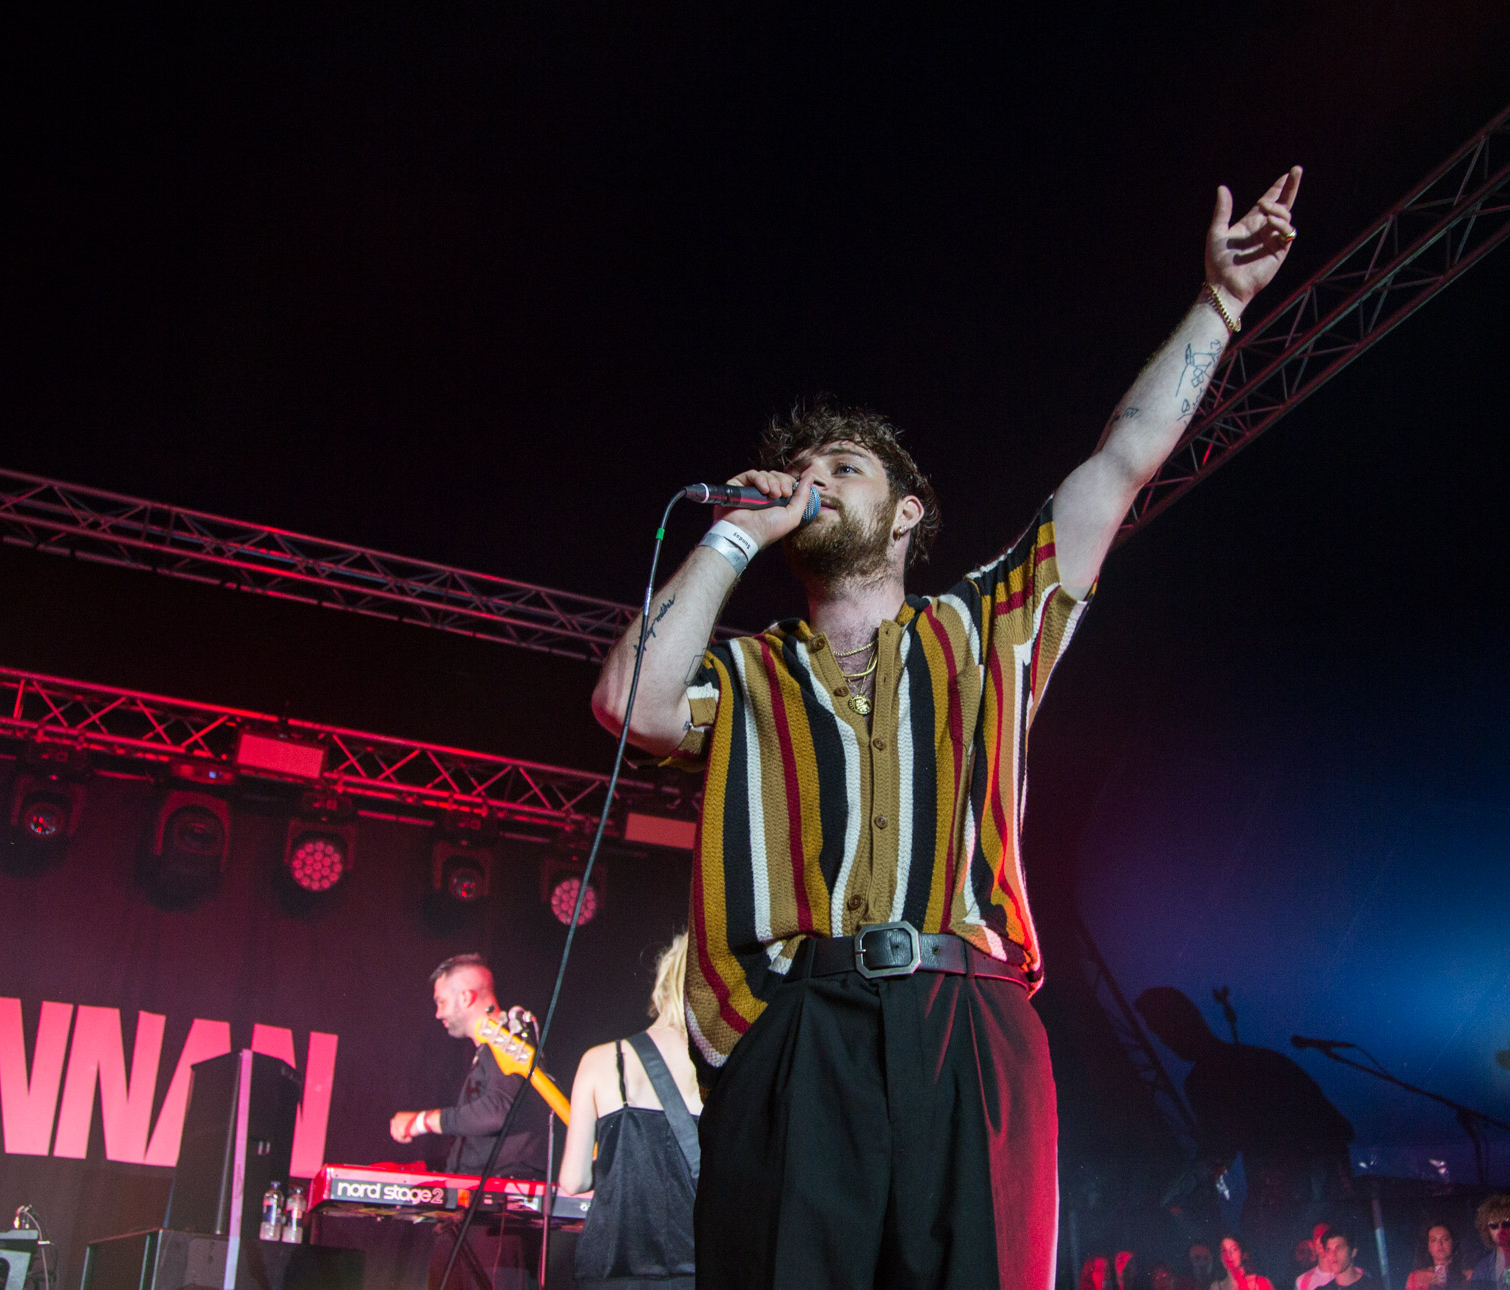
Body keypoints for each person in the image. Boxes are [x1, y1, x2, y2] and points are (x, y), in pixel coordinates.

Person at [591, 165, 1304, 1290]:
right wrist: (733, 537)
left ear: (907, 511)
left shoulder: (987, 624)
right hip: (792, 1024)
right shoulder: (752, 668)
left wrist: (1220, 306)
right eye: (804, 468)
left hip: (966, 1015)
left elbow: (1120, 463)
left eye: (844, 467)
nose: (814, 481)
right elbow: (630, 703)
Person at [1134, 988, 1355, 1267]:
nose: (1165, 1041)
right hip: (1311, 1192)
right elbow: (1340, 1127)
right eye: (1157, 1033)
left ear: (1186, 1022)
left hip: (1291, 1196)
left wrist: (1172, 1194)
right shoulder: (1262, 1058)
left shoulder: (1204, 1080)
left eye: (1163, 1030)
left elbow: (1217, 1153)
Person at [390, 954, 555, 1290]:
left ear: (465, 997)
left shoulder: (505, 1037)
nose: (438, 1013)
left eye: (441, 1001)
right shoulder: (490, 1047)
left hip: (499, 1217)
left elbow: (498, 1111)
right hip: (477, 1214)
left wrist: (423, 1121)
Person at [558, 933, 703, 1289]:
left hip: (615, 1269)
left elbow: (574, 1180)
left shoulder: (601, 1060)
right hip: (699, 1269)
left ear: (665, 980)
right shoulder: (726, 1070)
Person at [1470, 1196, 1510, 1286]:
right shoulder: (1483, 1268)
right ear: (1487, 1230)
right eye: (1494, 1225)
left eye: (1506, 1224)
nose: (1500, 1230)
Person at [1406, 1222, 1468, 1290]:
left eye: (1445, 1239)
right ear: (1428, 1246)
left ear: (1453, 1243)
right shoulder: (1416, 1277)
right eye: (1434, 1240)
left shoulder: (1467, 1275)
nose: (1439, 1243)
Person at [1297, 1224, 1335, 1290]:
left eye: (1325, 1236)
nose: (1320, 1241)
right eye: (1317, 1236)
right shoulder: (1302, 1281)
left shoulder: (1350, 1274)